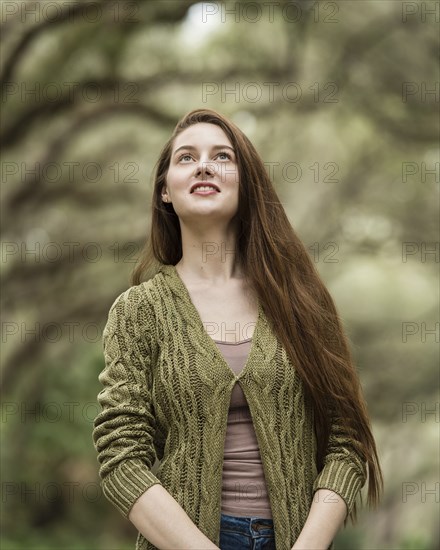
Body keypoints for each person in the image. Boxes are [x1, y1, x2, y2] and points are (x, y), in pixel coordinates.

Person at [92, 108, 383, 550]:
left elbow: (347, 441)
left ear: (245, 185)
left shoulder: (300, 300)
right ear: (165, 192)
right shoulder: (139, 311)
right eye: (186, 157)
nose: (205, 165)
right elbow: (121, 455)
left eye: (222, 156)